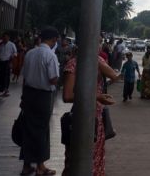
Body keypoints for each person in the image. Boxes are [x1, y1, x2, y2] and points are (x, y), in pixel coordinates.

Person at [62, 45, 120, 176]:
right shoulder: (73, 64)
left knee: (96, 155)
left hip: (96, 116)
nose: (98, 46)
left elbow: (114, 76)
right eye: (96, 42)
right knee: (78, 157)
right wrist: (97, 96)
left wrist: (99, 61)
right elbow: (67, 96)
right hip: (81, 116)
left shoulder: (97, 61)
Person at [18, 27, 60, 176]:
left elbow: (24, 76)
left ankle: (27, 166)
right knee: (42, 131)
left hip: (29, 94)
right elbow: (53, 78)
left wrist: (23, 97)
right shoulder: (50, 55)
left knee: (28, 130)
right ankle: (41, 167)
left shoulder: (30, 53)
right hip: (43, 96)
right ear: (54, 40)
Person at [0, 32, 17, 99]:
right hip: (0, 62)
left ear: (8, 38)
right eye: (4, 37)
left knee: (6, 76)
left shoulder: (12, 44)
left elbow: (15, 53)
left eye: (6, 37)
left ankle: (6, 89)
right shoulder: (0, 44)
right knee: (0, 76)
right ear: (2, 38)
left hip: (7, 62)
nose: (5, 39)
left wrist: (12, 57)